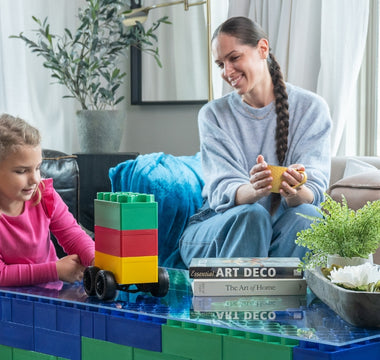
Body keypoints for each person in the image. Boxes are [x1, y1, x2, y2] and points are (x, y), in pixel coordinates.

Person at [179, 17, 331, 267]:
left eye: (234, 58)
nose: (227, 72)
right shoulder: (213, 115)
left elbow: (314, 191)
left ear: (262, 49)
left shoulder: (311, 109)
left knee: (309, 218)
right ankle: (238, 305)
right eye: (221, 64)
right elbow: (221, 189)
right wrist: (256, 189)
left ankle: (283, 305)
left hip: (281, 229)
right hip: (217, 228)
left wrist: (293, 190)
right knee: (253, 216)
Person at [0, 113, 95, 287]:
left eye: (37, 168)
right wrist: (55, 270)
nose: (35, 179)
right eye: (22, 171)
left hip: (52, 297)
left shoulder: (44, 195)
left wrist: (96, 260)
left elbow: (73, 237)